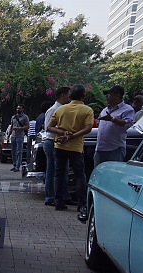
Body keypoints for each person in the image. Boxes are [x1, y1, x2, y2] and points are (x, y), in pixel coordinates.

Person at [47, 84, 93, 222]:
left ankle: (59, 201)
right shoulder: (87, 110)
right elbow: (88, 128)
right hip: (76, 147)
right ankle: (82, 204)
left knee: (59, 174)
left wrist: (63, 132)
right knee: (80, 175)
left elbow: (49, 127)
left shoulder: (61, 109)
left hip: (60, 145)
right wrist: (74, 135)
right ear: (83, 96)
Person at [94, 85, 136, 167]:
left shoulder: (127, 109)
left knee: (113, 173)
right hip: (100, 148)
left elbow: (126, 123)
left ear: (117, 95)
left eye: (109, 94)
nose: (106, 97)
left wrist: (112, 119)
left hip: (115, 148)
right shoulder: (105, 110)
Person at [42, 87, 71, 205]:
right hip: (52, 142)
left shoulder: (63, 109)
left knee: (62, 171)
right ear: (63, 95)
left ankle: (62, 196)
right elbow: (48, 128)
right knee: (53, 171)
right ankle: (50, 197)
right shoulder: (53, 109)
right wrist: (63, 131)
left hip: (59, 143)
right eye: (69, 95)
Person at [8, 104, 29, 172]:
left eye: (19, 108)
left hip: (20, 136)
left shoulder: (25, 117)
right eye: (17, 108)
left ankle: (17, 166)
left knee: (19, 151)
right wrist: (8, 135)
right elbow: (11, 126)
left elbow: (27, 126)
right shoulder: (13, 117)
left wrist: (19, 128)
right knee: (13, 151)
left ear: (22, 109)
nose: (18, 110)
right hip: (13, 136)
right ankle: (14, 165)